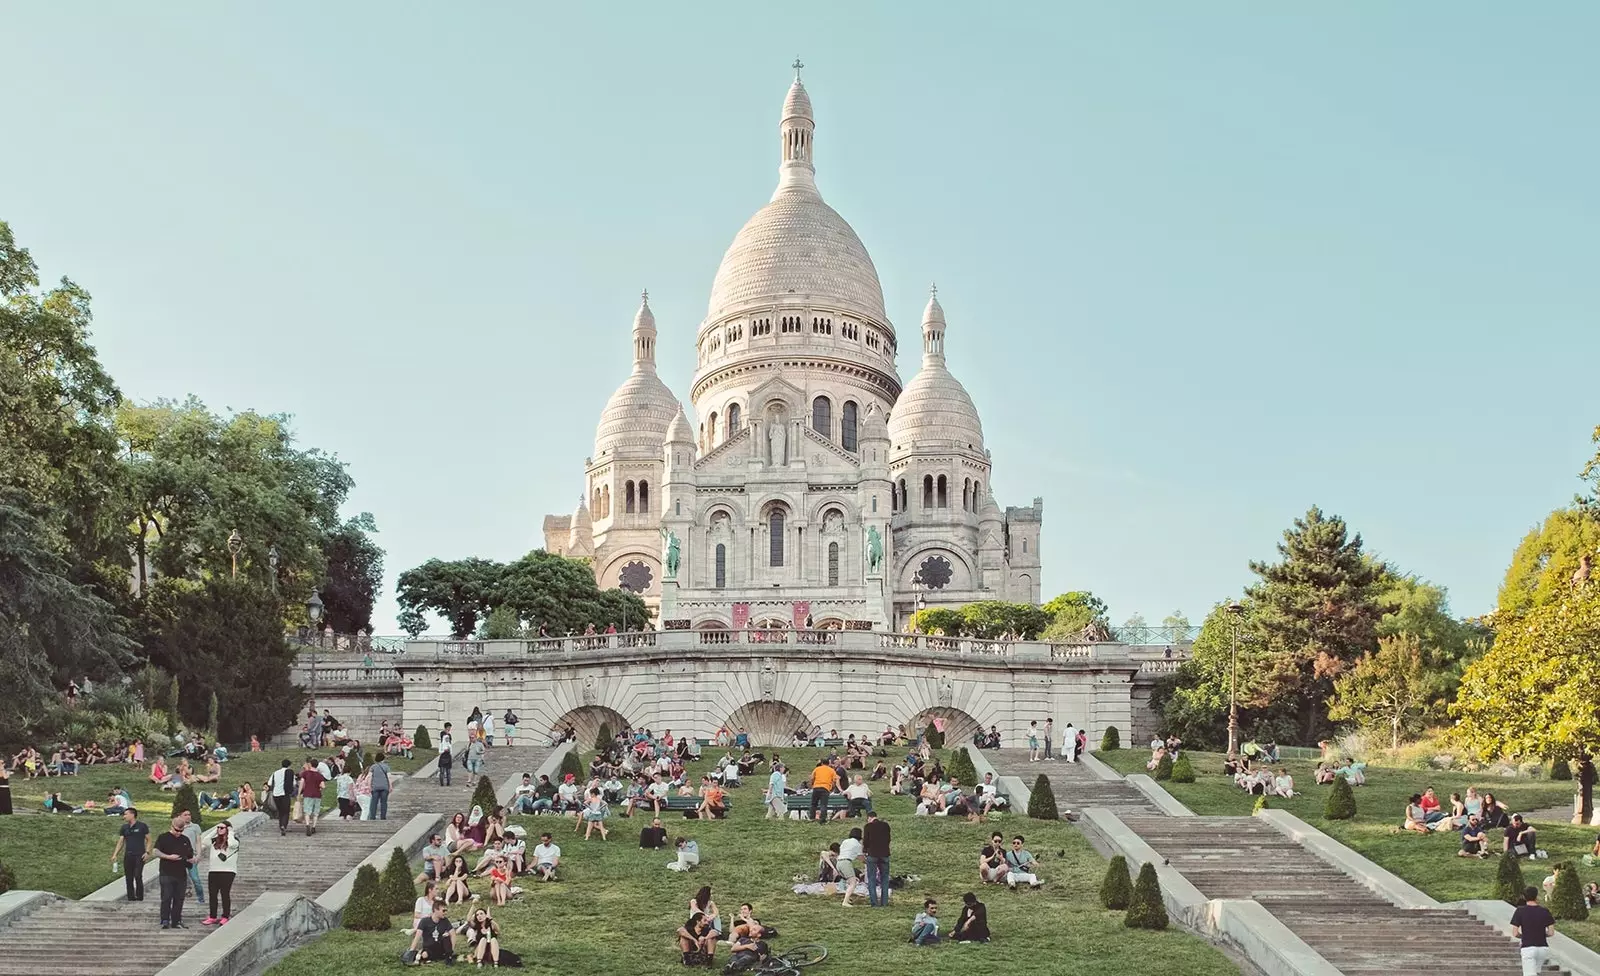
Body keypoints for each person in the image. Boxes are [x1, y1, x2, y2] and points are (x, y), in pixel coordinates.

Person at [153, 815, 196, 929]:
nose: (178, 833)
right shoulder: (163, 837)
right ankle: (165, 919)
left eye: (181, 831)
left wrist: (192, 859)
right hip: (166, 872)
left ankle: (176, 920)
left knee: (179, 898)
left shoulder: (185, 839)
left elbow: (189, 855)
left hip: (181, 873)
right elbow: (155, 851)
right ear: (172, 827)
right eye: (176, 830)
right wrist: (168, 856)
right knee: (166, 897)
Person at [1510, 885, 1556, 976]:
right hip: (1543, 948)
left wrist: (1524, 935)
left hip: (1528, 947)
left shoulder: (1520, 911)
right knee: (1536, 972)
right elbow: (1551, 932)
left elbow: (1515, 933)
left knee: (1529, 974)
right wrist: (1541, 934)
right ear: (1536, 896)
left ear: (1524, 897)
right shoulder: (1545, 911)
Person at [200, 821, 238, 925]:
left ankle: (225, 915)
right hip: (213, 870)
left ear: (228, 828)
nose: (220, 829)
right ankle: (212, 916)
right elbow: (204, 840)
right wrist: (214, 831)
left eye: (222, 828)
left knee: (224, 893)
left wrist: (230, 832)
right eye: (218, 828)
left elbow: (232, 844)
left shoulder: (233, 840)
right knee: (212, 894)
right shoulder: (214, 841)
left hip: (228, 871)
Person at [112, 807, 149, 902]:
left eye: (126, 814)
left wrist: (147, 852)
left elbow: (149, 840)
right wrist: (115, 854)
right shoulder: (124, 828)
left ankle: (139, 897)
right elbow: (121, 842)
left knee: (137, 875)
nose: (124, 816)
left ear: (132, 815)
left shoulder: (142, 826)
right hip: (128, 855)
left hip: (139, 855)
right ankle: (131, 898)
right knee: (129, 877)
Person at [407, 901, 456, 965]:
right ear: (436, 910)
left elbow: (453, 934)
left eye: (446, 910)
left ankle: (448, 957)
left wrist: (451, 950)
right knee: (424, 955)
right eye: (443, 911)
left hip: (440, 946)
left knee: (446, 936)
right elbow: (417, 937)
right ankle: (423, 956)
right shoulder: (424, 921)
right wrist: (411, 951)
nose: (445, 913)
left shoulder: (445, 921)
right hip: (429, 948)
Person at [863, 809, 891, 907]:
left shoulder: (868, 827)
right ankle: (884, 902)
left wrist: (865, 851)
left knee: (871, 879)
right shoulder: (885, 825)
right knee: (885, 879)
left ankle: (874, 903)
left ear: (869, 818)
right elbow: (888, 839)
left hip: (872, 854)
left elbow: (866, 841)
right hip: (885, 854)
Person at [265, 759, 298, 836]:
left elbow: (269, 783)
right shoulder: (290, 772)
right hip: (285, 794)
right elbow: (294, 783)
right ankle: (284, 826)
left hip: (276, 794)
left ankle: (281, 825)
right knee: (286, 811)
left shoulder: (275, 773)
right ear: (289, 765)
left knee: (280, 811)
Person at [299, 759, 326, 835]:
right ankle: (313, 827)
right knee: (315, 812)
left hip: (307, 793)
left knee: (307, 811)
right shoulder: (320, 775)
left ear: (310, 764)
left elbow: (302, 783)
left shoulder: (306, 773)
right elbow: (323, 786)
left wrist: (299, 792)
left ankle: (307, 825)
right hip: (317, 794)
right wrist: (319, 787)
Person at [838, 827, 863, 906]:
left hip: (838, 863)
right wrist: (867, 862)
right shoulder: (857, 844)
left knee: (850, 881)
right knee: (853, 883)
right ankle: (845, 901)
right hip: (846, 862)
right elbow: (861, 858)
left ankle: (848, 899)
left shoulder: (845, 841)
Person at [808, 758, 837, 823]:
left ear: (822, 763)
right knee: (823, 804)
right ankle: (822, 819)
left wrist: (812, 785)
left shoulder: (817, 769)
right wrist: (831, 788)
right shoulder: (832, 770)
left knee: (813, 804)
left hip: (816, 787)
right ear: (829, 764)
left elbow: (812, 778)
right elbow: (834, 781)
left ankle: (812, 818)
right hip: (825, 788)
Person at [368, 754, 392, 821]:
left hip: (375, 787)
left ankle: (372, 817)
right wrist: (390, 786)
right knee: (384, 802)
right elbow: (389, 777)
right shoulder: (386, 767)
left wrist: (369, 786)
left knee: (374, 802)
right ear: (383, 759)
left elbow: (369, 777)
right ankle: (383, 817)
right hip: (384, 787)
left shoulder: (373, 767)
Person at [437, 722, 455, 787]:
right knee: (442, 770)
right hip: (443, 754)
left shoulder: (449, 735)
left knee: (448, 770)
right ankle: (441, 782)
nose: (449, 729)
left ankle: (448, 782)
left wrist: (450, 750)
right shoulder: (442, 733)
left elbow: (450, 743)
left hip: (448, 754)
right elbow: (442, 738)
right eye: (449, 727)